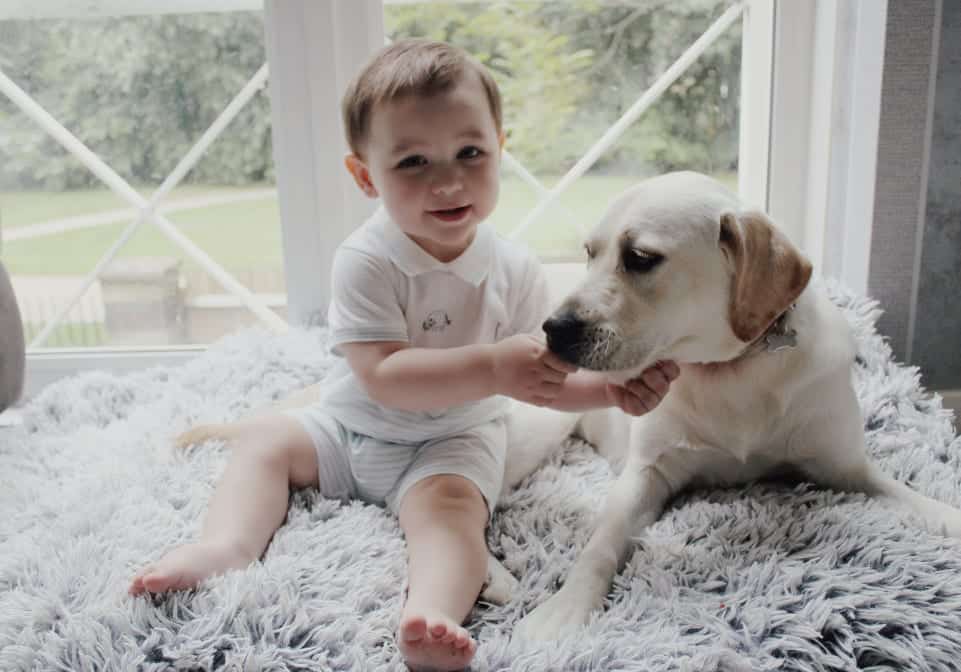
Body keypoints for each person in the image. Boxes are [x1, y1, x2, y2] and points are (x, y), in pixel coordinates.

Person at [129, 39, 678, 671]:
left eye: (470, 152)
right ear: (366, 176)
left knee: (452, 518)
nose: (447, 180)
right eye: (413, 161)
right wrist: (492, 366)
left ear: (501, 145)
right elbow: (382, 376)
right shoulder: (365, 260)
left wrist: (610, 392)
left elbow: (541, 382)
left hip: (451, 442)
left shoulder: (516, 268)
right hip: (348, 425)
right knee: (264, 442)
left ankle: (432, 614)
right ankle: (223, 546)